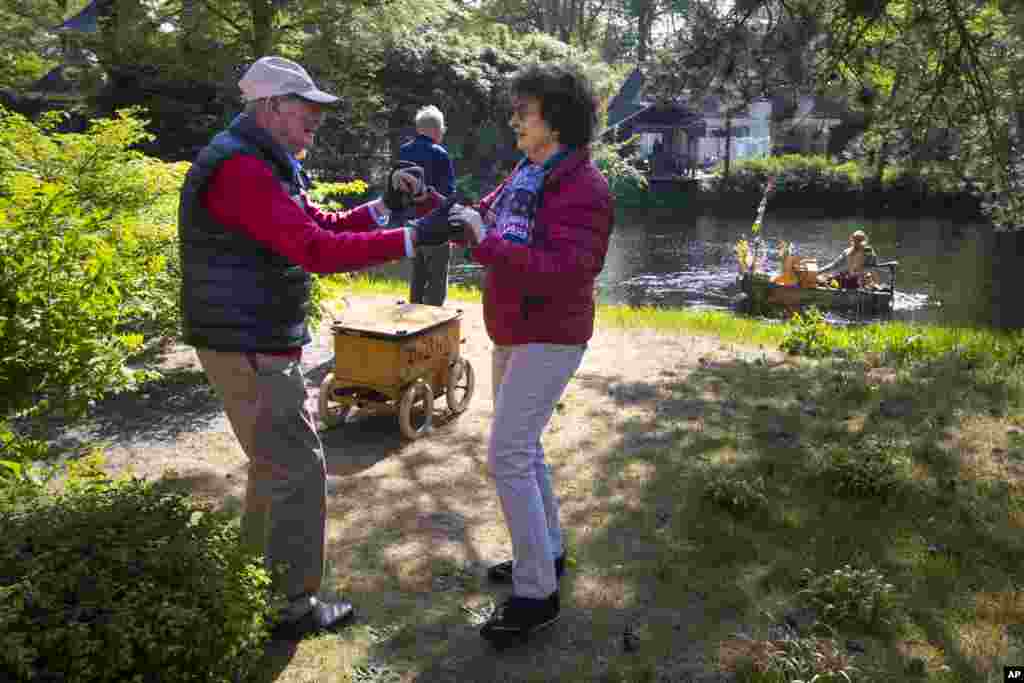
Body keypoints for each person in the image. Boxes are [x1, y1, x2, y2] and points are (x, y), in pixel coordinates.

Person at [177, 55, 459, 640]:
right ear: (272, 106)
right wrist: (414, 236)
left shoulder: (262, 161)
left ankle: (250, 584)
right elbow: (317, 251)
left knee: (272, 466)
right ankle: (291, 607)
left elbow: (323, 225)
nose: (317, 119)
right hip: (248, 342)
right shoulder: (243, 171)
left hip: (250, 338)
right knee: (299, 469)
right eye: (307, 108)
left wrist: (386, 209)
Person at [448, 62, 613, 647]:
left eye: (527, 108)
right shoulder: (527, 170)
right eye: (516, 107)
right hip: (513, 330)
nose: (515, 117)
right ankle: (550, 553)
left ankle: (537, 592)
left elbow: (569, 272)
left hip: (552, 334)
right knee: (526, 448)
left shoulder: (584, 188)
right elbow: (487, 217)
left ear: (558, 119)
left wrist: (486, 244)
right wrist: (450, 211)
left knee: (508, 453)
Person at [400, 105, 456, 306]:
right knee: (436, 283)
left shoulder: (403, 151)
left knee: (417, 277)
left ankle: (413, 323)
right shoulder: (440, 153)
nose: (442, 132)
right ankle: (433, 327)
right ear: (435, 129)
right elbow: (448, 196)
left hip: (411, 226)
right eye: (442, 128)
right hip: (436, 228)